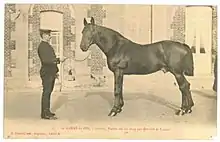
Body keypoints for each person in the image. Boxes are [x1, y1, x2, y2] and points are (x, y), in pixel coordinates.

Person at [37, 29, 66, 119]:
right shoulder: (42, 46)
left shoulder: (47, 46)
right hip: (47, 73)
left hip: (50, 72)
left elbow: (50, 59)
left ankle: (47, 111)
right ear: (44, 35)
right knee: (46, 92)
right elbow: (46, 61)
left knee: (48, 92)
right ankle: (44, 114)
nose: (50, 36)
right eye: (48, 35)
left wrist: (55, 72)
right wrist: (58, 60)